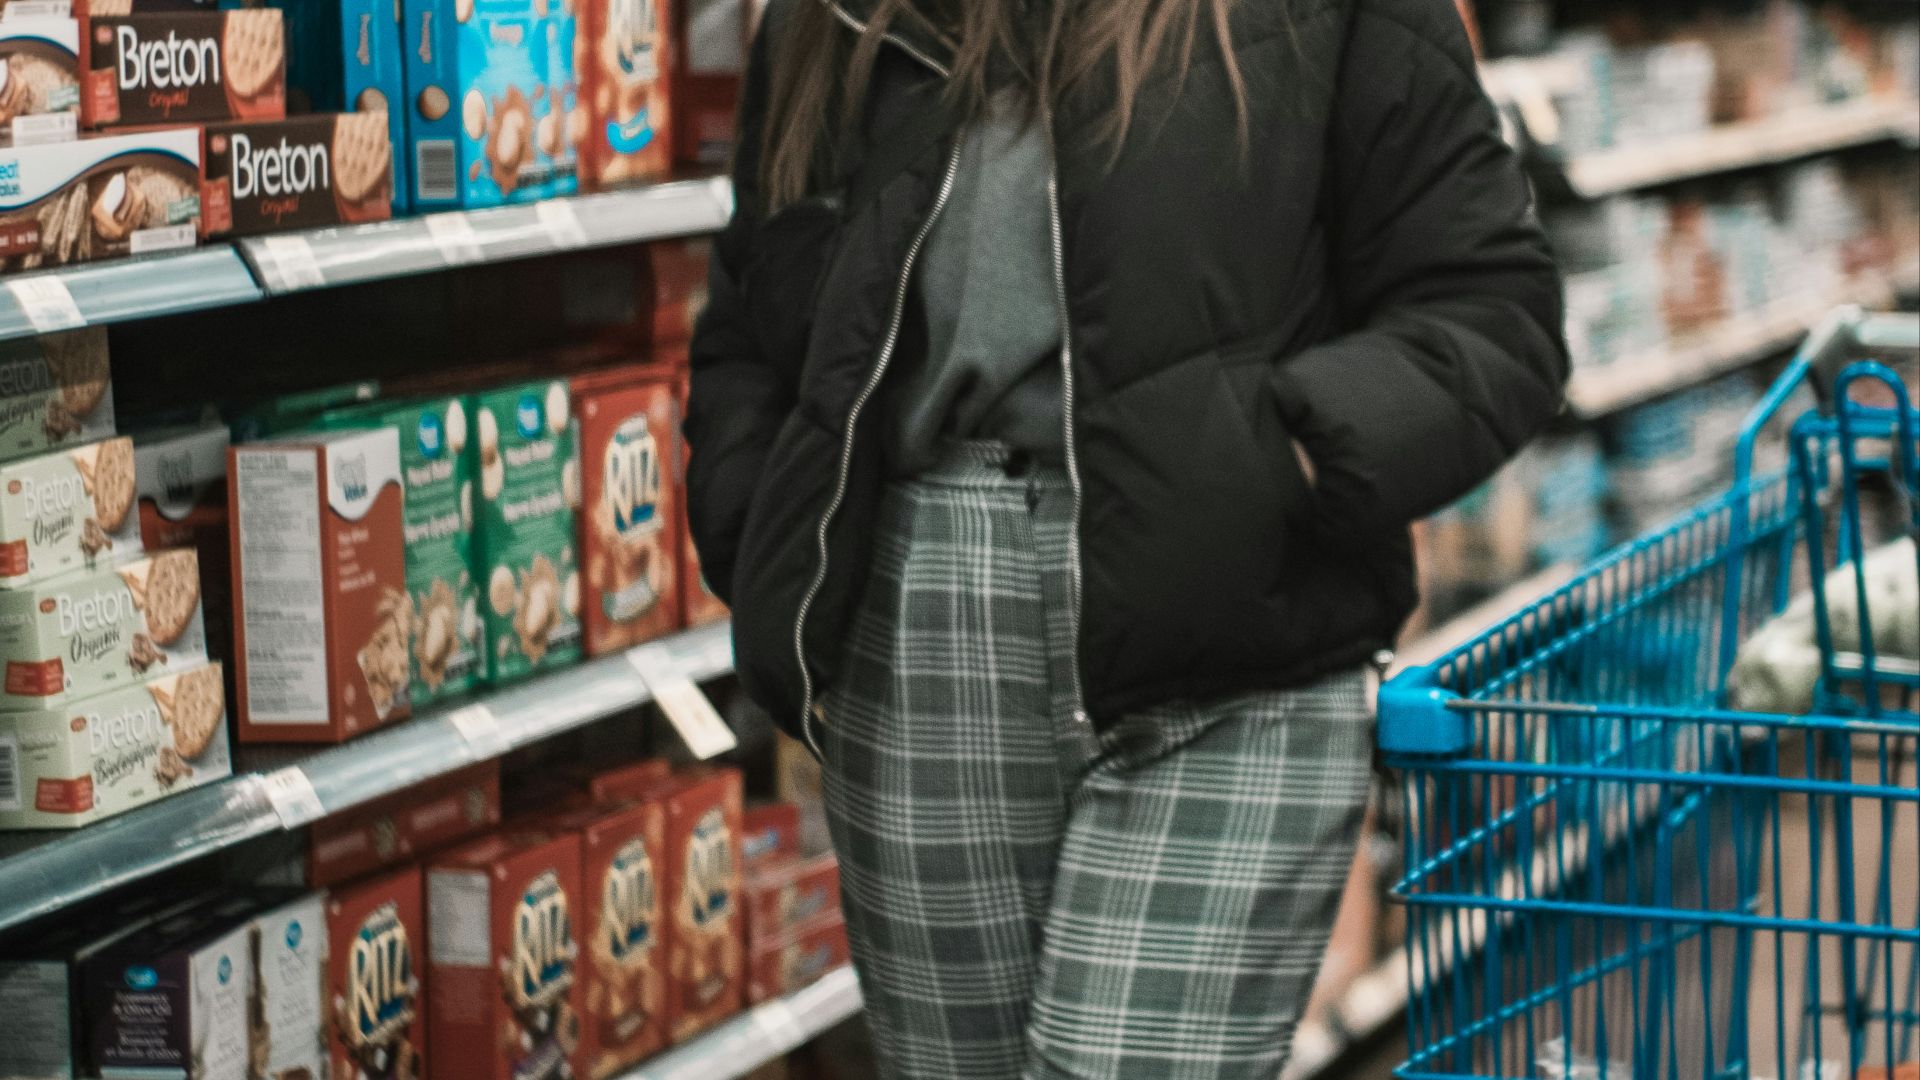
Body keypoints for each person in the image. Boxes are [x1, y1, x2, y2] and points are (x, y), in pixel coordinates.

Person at [684, 0, 1568, 1074]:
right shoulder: (835, 17)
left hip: (1230, 634)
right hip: (912, 641)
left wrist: (1274, 469)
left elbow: (1490, 310)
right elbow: (750, 320)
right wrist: (756, 522)